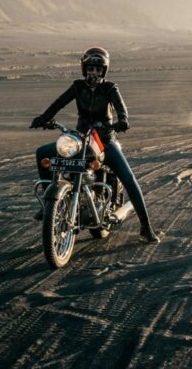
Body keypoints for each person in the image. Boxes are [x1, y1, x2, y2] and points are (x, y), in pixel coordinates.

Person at [29, 46, 160, 243]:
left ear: (104, 71)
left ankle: (146, 227)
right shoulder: (77, 87)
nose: (94, 73)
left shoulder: (110, 88)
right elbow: (59, 103)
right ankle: (49, 204)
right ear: (85, 69)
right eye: (90, 69)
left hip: (104, 140)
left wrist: (123, 120)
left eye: (98, 70)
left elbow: (121, 108)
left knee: (129, 178)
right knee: (43, 154)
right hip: (79, 140)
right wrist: (44, 117)